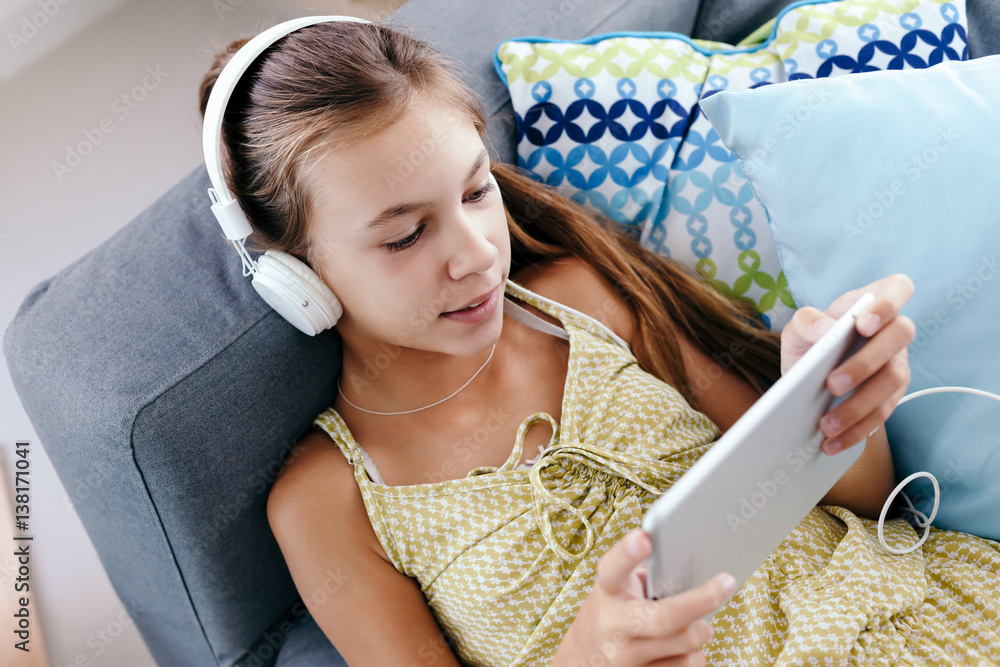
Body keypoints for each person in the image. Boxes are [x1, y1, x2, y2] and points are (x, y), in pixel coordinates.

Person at [197, 18, 1000, 667]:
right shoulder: (325, 500)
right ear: (293, 273)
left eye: (477, 191)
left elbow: (860, 502)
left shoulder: (578, 299)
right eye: (405, 236)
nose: (476, 250)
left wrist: (832, 406)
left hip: (918, 619)